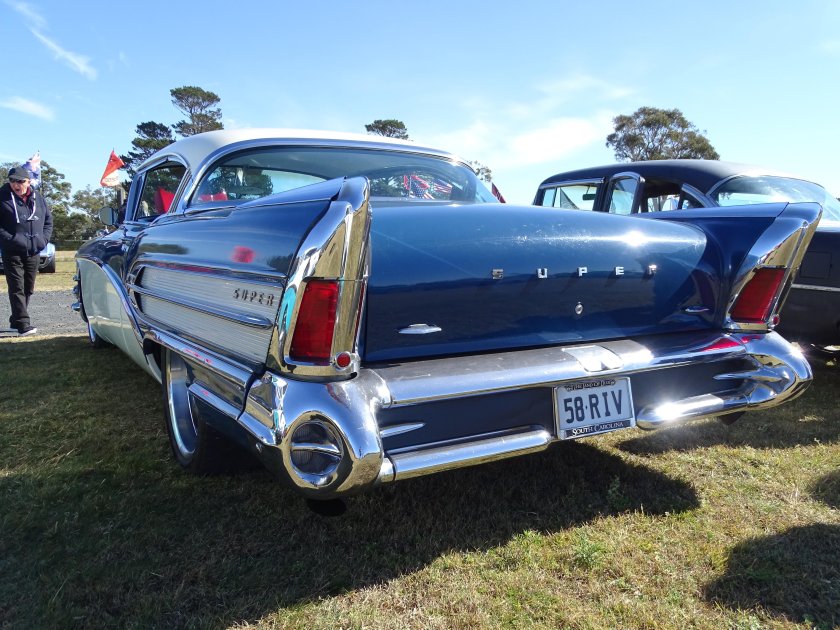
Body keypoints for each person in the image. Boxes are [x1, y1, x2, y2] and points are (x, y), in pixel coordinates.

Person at [0, 165, 53, 335]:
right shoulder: (2, 197)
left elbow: (48, 220)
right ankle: (23, 324)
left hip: (34, 250)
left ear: (28, 182)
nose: (16, 184)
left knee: (28, 287)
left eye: (20, 181)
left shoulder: (38, 198)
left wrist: (42, 240)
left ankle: (15, 320)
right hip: (12, 250)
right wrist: (11, 240)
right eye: (13, 181)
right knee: (17, 286)